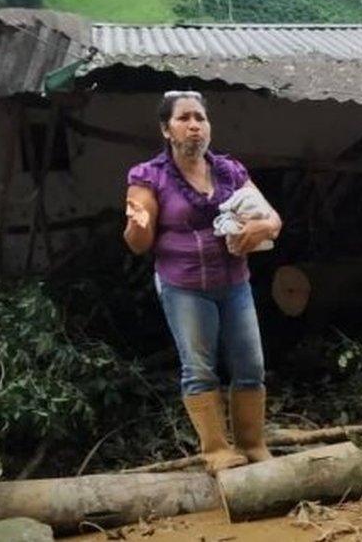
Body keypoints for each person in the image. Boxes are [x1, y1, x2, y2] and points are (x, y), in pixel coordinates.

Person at [123, 90, 282, 473]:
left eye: (200, 118)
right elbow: (138, 245)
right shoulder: (149, 177)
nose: (195, 125)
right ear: (166, 129)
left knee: (250, 366)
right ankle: (216, 450)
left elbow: (274, 220)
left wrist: (262, 225)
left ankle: (252, 444)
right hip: (184, 287)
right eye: (184, 118)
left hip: (235, 282)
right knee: (199, 369)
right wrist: (137, 224)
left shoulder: (230, 171)